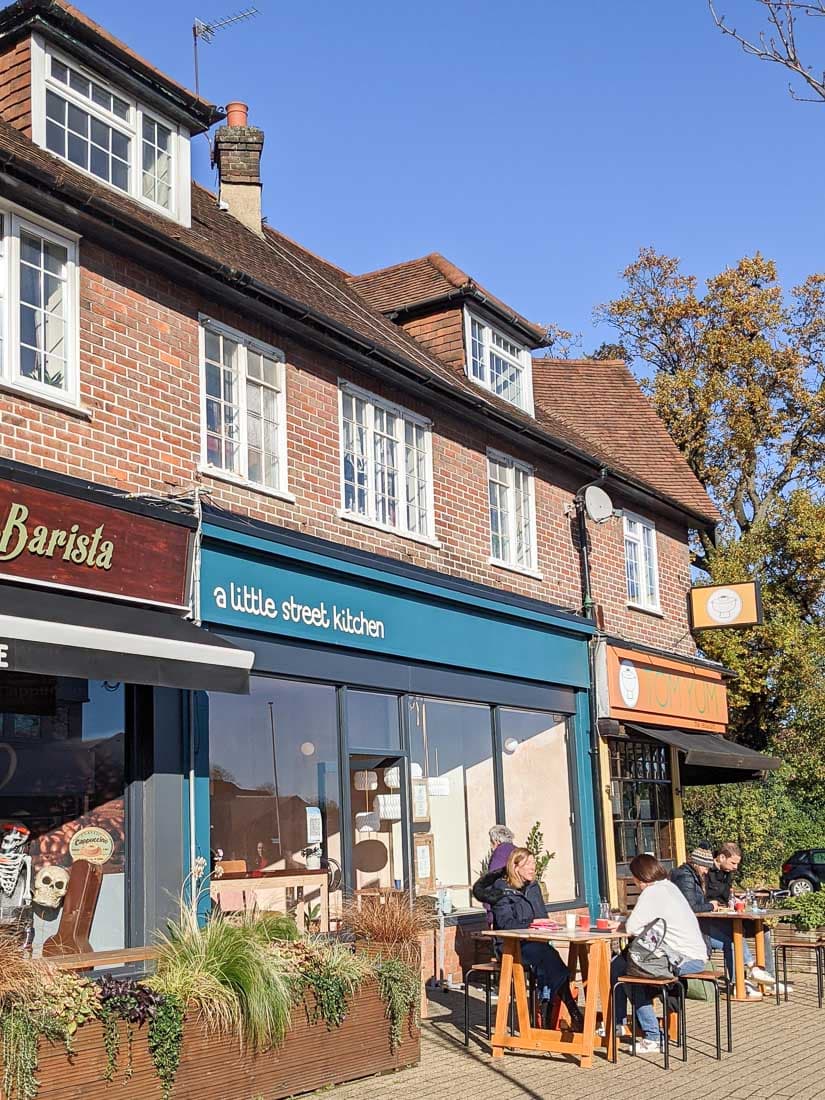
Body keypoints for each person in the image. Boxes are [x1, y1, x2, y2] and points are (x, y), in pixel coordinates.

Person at [473, 847, 584, 1030]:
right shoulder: (502, 890)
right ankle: (568, 1012)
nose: (534, 868)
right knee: (548, 957)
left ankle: (550, 1013)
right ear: (516, 867)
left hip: (534, 942)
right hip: (509, 945)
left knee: (547, 957)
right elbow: (505, 923)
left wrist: (546, 925)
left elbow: (542, 916)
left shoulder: (533, 888)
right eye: (529, 864)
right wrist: (532, 924)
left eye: (534, 863)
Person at [611, 854, 708, 1055]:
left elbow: (632, 927)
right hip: (693, 955)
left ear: (639, 877)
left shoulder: (652, 893)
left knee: (632, 977)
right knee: (618, 966)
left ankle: (653, 1037)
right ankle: (619, 1023)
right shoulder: (669, 887)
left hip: (681, 958)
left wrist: (621, 925)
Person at [703, 841, 779, 996]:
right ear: (721, 857)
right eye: (733, 863)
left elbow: (727, 896)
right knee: (735, 935)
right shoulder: (705, 873)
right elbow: (704, 900)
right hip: (709, 921)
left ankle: (768, 979)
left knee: (763, 930)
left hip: (727, 917)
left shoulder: (728, 873)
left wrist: (735, 901)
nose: (736, 867)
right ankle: (745, 976)